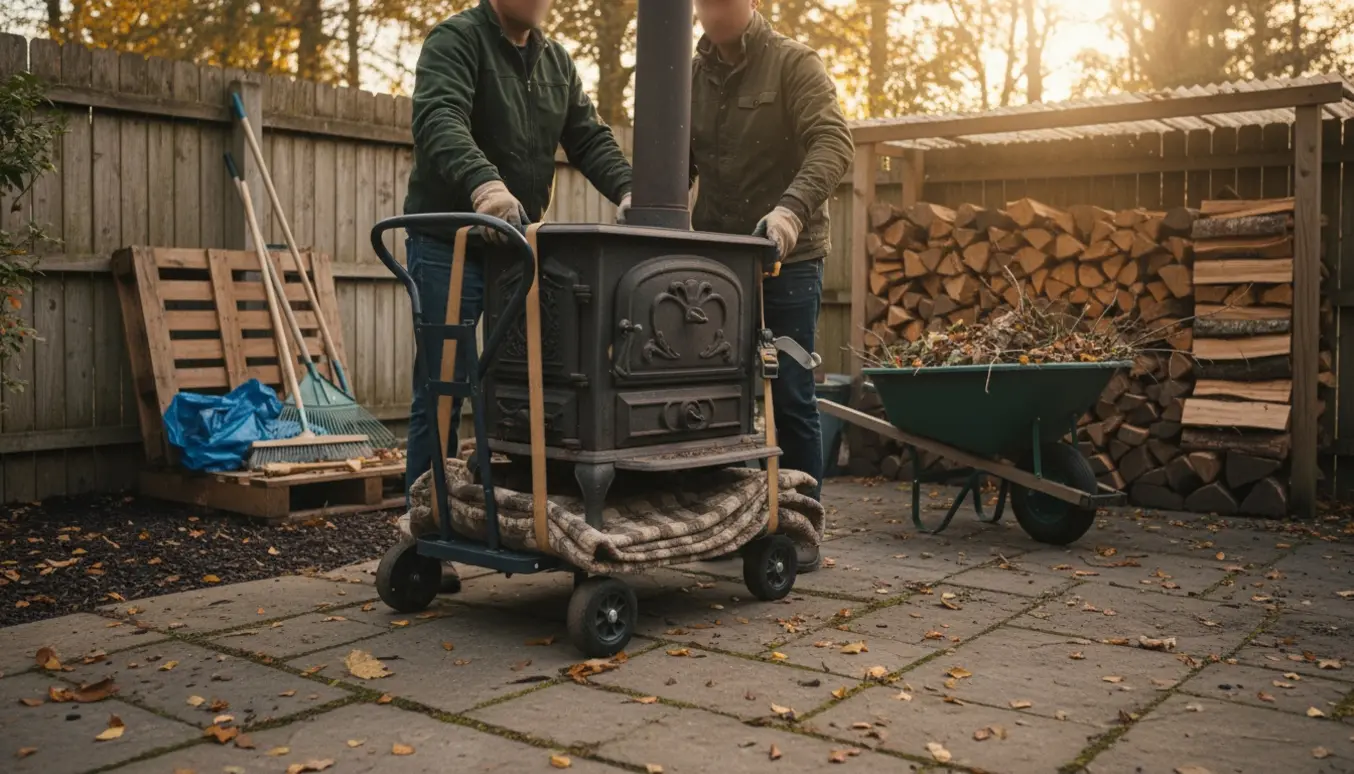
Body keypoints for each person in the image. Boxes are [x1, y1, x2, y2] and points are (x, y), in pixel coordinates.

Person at [403, 0, 633, 590]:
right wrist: (484, 185)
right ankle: (426, 533)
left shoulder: (556, 62)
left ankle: (513, 517)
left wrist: (631, 191)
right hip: (451, 238)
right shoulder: (456, 40)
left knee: (524, 388)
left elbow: (589, 138)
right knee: (443, 386)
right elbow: (439, 118)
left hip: (514, 246)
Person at [689, 0, 854, 571]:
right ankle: (729, 524)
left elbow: (833, 142)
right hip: (720, 262)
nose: (714, 10)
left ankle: (799, 526)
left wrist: (789, 212)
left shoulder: (793, 63)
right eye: (704, 1)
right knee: (718, 397)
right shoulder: (691, 77)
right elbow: (679, 161)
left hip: (790, 255)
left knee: (788, 393)